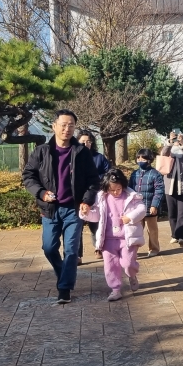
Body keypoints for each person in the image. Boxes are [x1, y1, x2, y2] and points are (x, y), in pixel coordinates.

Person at [22, 109, 101, 304]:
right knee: (49, 248)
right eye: (63, 125)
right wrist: (41, 193)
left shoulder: (82, 152)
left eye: (71, 125)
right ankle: (63, 275)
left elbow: (93, 180)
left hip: (73, 209)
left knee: (72, 251)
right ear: (54, 126)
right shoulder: (42, 151)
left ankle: (64, 289)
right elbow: (28, 176)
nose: (67, 129)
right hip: (50, 210)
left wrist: (86, 201)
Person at [81, 168, 147, 301]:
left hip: (127, 238)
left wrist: (130, 217)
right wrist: (86, 213)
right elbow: (97, 216)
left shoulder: (131, 196)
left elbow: (142, 209)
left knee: (128, 263)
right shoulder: (101, 198)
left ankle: (132, 275)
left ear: (123, 185)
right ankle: (115, 289)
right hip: (108, 239)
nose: (116, 192)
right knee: (110, 265)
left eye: (118, 189)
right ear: (106, 188)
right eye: (112, 190)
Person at [76, 130, 111, 263]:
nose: (86, 144)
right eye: (82, 141)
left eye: (88, 141)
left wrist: (96, 179)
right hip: (78, 197)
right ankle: (77, 255)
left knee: (95, 224)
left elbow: (108, 173)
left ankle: (98, 247)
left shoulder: (99, 157)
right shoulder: (73, 156)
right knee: (77, 226)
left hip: (95, 196)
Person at [130, 148, 165, 257]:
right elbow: (129, 190)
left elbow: (159, 191)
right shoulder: (134, 174)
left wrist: (154, 205)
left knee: (152, 230)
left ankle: (154, 249)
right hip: (137, 208)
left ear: (149, 160)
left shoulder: (155, 174)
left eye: (143, 158)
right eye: (138, 158)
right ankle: (133, 249)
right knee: (135, 230)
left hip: (150, 207)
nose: (140, 160)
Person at [160, 131, 183, 246]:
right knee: (172, 213)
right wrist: (169, 141)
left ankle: (181, 237)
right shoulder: (169, 150)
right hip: (170, 186)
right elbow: (163, 154)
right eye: (175, 138)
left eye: (179, 138)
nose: (176, 140)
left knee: (182, 213)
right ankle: (174, 235)